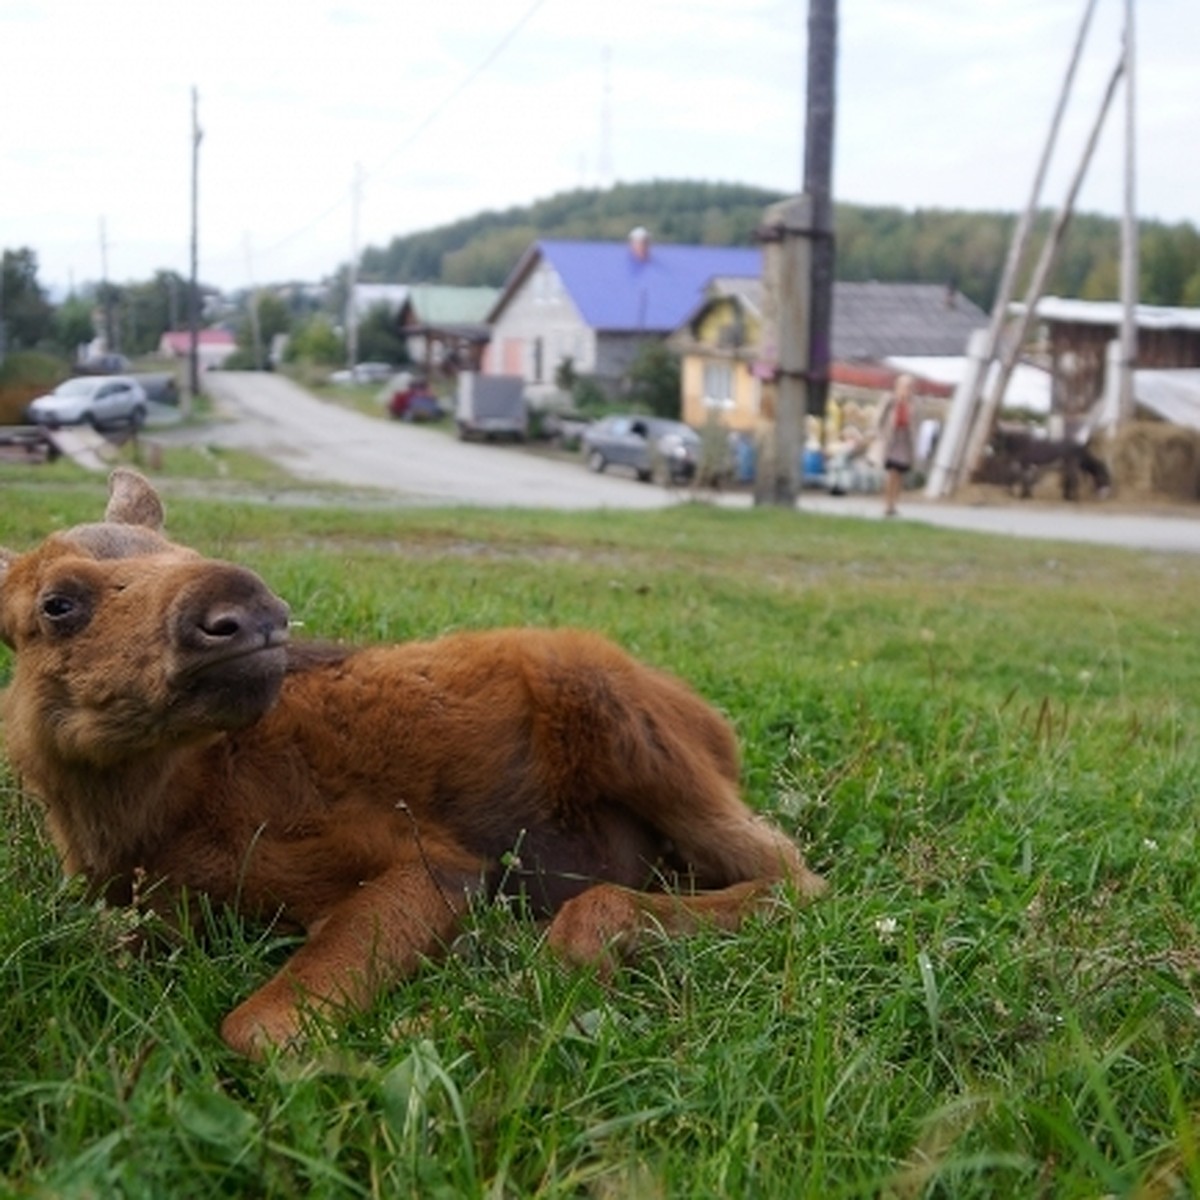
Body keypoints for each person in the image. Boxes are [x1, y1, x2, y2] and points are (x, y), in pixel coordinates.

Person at [876, 374, 916, 517]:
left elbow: (915, 424)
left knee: (900, 474)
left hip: (904, 441)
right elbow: (879, 418)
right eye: (904, 386)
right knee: (892, 472)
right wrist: (878, 434)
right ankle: (887, 503)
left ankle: (894, 503)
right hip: (891, 440)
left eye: (910, 387)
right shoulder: (890, 400)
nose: (907, 390)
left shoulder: (913, 404)